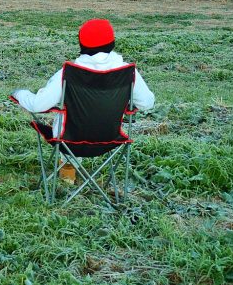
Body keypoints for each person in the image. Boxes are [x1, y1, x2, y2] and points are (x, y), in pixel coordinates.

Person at [11, 18, 155, 182]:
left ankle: (67, 174)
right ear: (112, 43)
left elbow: (37, 105)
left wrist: (19, 93)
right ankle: (71, 172)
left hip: (69, 142)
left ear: (82, 46)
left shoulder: (69, 74)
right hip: (110, 139)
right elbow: (147, 102)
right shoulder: (128, 73)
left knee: (65, 120)